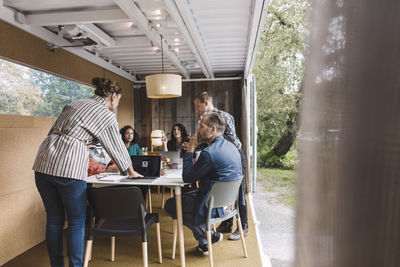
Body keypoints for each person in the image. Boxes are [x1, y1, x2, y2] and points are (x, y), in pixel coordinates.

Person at [32, 77, 142, 267]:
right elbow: (116, 146)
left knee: (54, 219)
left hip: (43, 162)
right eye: (118, 100)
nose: (117, 104)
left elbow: (57, 131)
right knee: (76, 221)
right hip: (68, 166)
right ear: (113, 96)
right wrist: (130, 170)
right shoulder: (105, 114)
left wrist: (82, 142)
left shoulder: (75, 103)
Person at [164, 112, 243, 255]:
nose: (198, 129)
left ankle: (207, 235)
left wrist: (190, 150)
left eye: (201, 126)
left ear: (212, 130)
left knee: (170, 204)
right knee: (187, 196)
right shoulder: (232, 147)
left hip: (212, 204)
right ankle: (205, 239)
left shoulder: (208, 153)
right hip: (229, 204)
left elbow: (187, 178)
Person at [193, 91, 249, 240]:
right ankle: (227, 223)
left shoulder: (222, 117)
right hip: (221, 156)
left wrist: (220, 154)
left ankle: (244, 225)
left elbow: (232, 141)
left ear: (206, 103)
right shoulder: (206, 119)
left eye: (198, 106)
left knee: (237, 192)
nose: (197, 110)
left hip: (233, 155)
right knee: (221, 188)